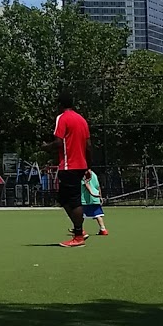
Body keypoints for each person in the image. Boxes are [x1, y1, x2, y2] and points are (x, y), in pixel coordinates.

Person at [50, 90, 91, 248]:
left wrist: (46, 147)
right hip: (80, 165)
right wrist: (88, 166)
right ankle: (78, 228)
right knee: (63, 198)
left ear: (60, 105)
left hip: (69, 165)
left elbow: (59, 143)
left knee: (73, 200)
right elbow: (88, 146)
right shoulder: (82, 120)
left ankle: (79, 235)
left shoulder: (62, 118)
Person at [82, 169, 109, 236]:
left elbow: (86, 184)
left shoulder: (83, 174)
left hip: (86, 199)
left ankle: (80, 230)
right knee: (98, 214)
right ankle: (103, 229)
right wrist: (100, 196)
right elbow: (98, 186)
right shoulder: (94, 174)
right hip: (95, 198)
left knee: (80, 215)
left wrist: (92, 193)